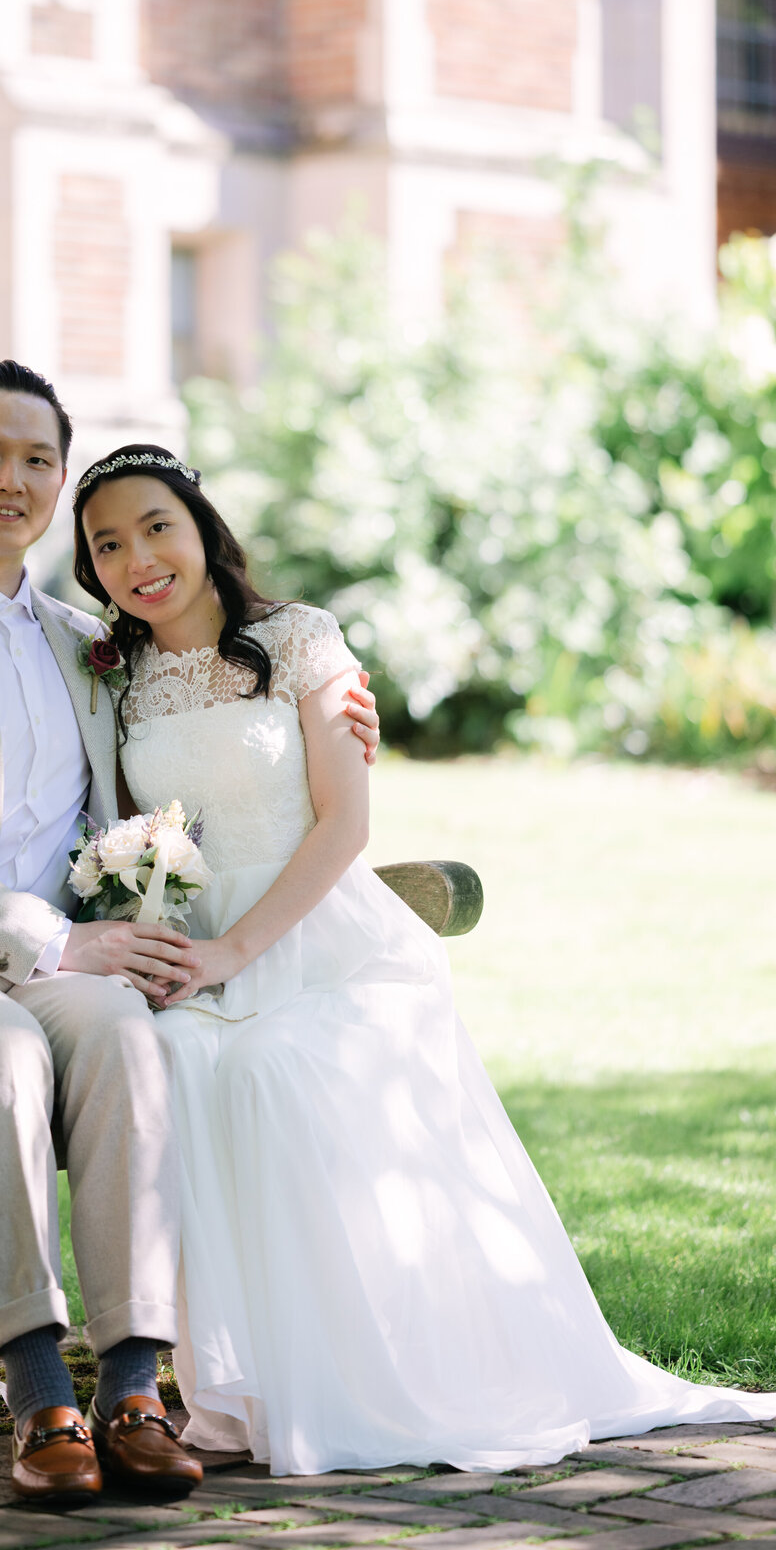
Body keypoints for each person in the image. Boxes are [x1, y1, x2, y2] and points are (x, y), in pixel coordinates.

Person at [72, 443, 776, 1479]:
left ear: (203, 529)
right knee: (173, 1058)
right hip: (192, 950)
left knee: (275, 1068)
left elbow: (345, 825)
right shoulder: (114, 675)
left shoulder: (302, 640)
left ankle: (346, 1375)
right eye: (107, 545)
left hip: (315, 939)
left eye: (156, 526)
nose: (139, 558)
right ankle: (214, 1388)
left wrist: (233, 950)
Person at [0, 362, 384, 1505]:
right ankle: (41, 1391)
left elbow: (220, 703)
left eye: (36, 460)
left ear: (58, 483)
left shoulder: (89, 644)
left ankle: (137, 1390)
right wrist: (50, 942)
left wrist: (340, 698)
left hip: (63, 964)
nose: (12, 480)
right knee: (0, 1049)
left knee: (116, 1031)